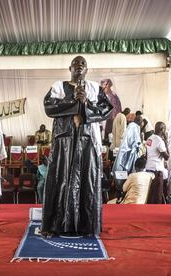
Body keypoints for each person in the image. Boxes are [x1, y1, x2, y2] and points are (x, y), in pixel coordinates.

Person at [41, 56, 113, 236]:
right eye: (76, 64)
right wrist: (72, 100)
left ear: (87, 69)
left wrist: (87, 102)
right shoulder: (59, 86)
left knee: (87, 182)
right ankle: (54, 226)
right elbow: (49, 107)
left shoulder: (95, 88)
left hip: (87, 140)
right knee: (60, 179)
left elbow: (106, 110)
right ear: (70, 68)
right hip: (64, 141)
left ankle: (87, 226)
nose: (79, 66)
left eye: (83, 64)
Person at [145, 121, 169, 204]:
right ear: (162, 129)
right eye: (164, 130)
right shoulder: (159, 141)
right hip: (157, 169)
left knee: (150, 193)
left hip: (148, 167)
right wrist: (166, 141)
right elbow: (167, 157)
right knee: (157, 194)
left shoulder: (149, 138)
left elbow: (146, 153)